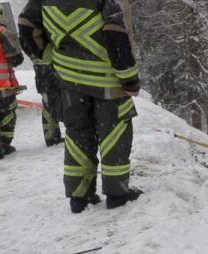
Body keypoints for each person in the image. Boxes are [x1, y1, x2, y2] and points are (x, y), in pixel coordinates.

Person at [19, 0, 142, 213]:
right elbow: (116, 35)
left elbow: (26, 26)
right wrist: (129, 78)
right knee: (114, 132)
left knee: (78, 134)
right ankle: (117, 193)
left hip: (69, 79)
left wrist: (51, 56)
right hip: (106, 79)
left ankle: (79, 196)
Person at [0, 4, 24, 160]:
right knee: (6, 116)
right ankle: (4, 145)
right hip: (3, 86)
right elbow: (16, 58)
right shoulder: (2, 32)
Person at [28, 37, 64, 147]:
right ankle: (52, 137)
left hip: (42, 73)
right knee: (51, 105)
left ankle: (53, 135)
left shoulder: (29, 36)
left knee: (49, 104)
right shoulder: (46, 33)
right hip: (50, 72)